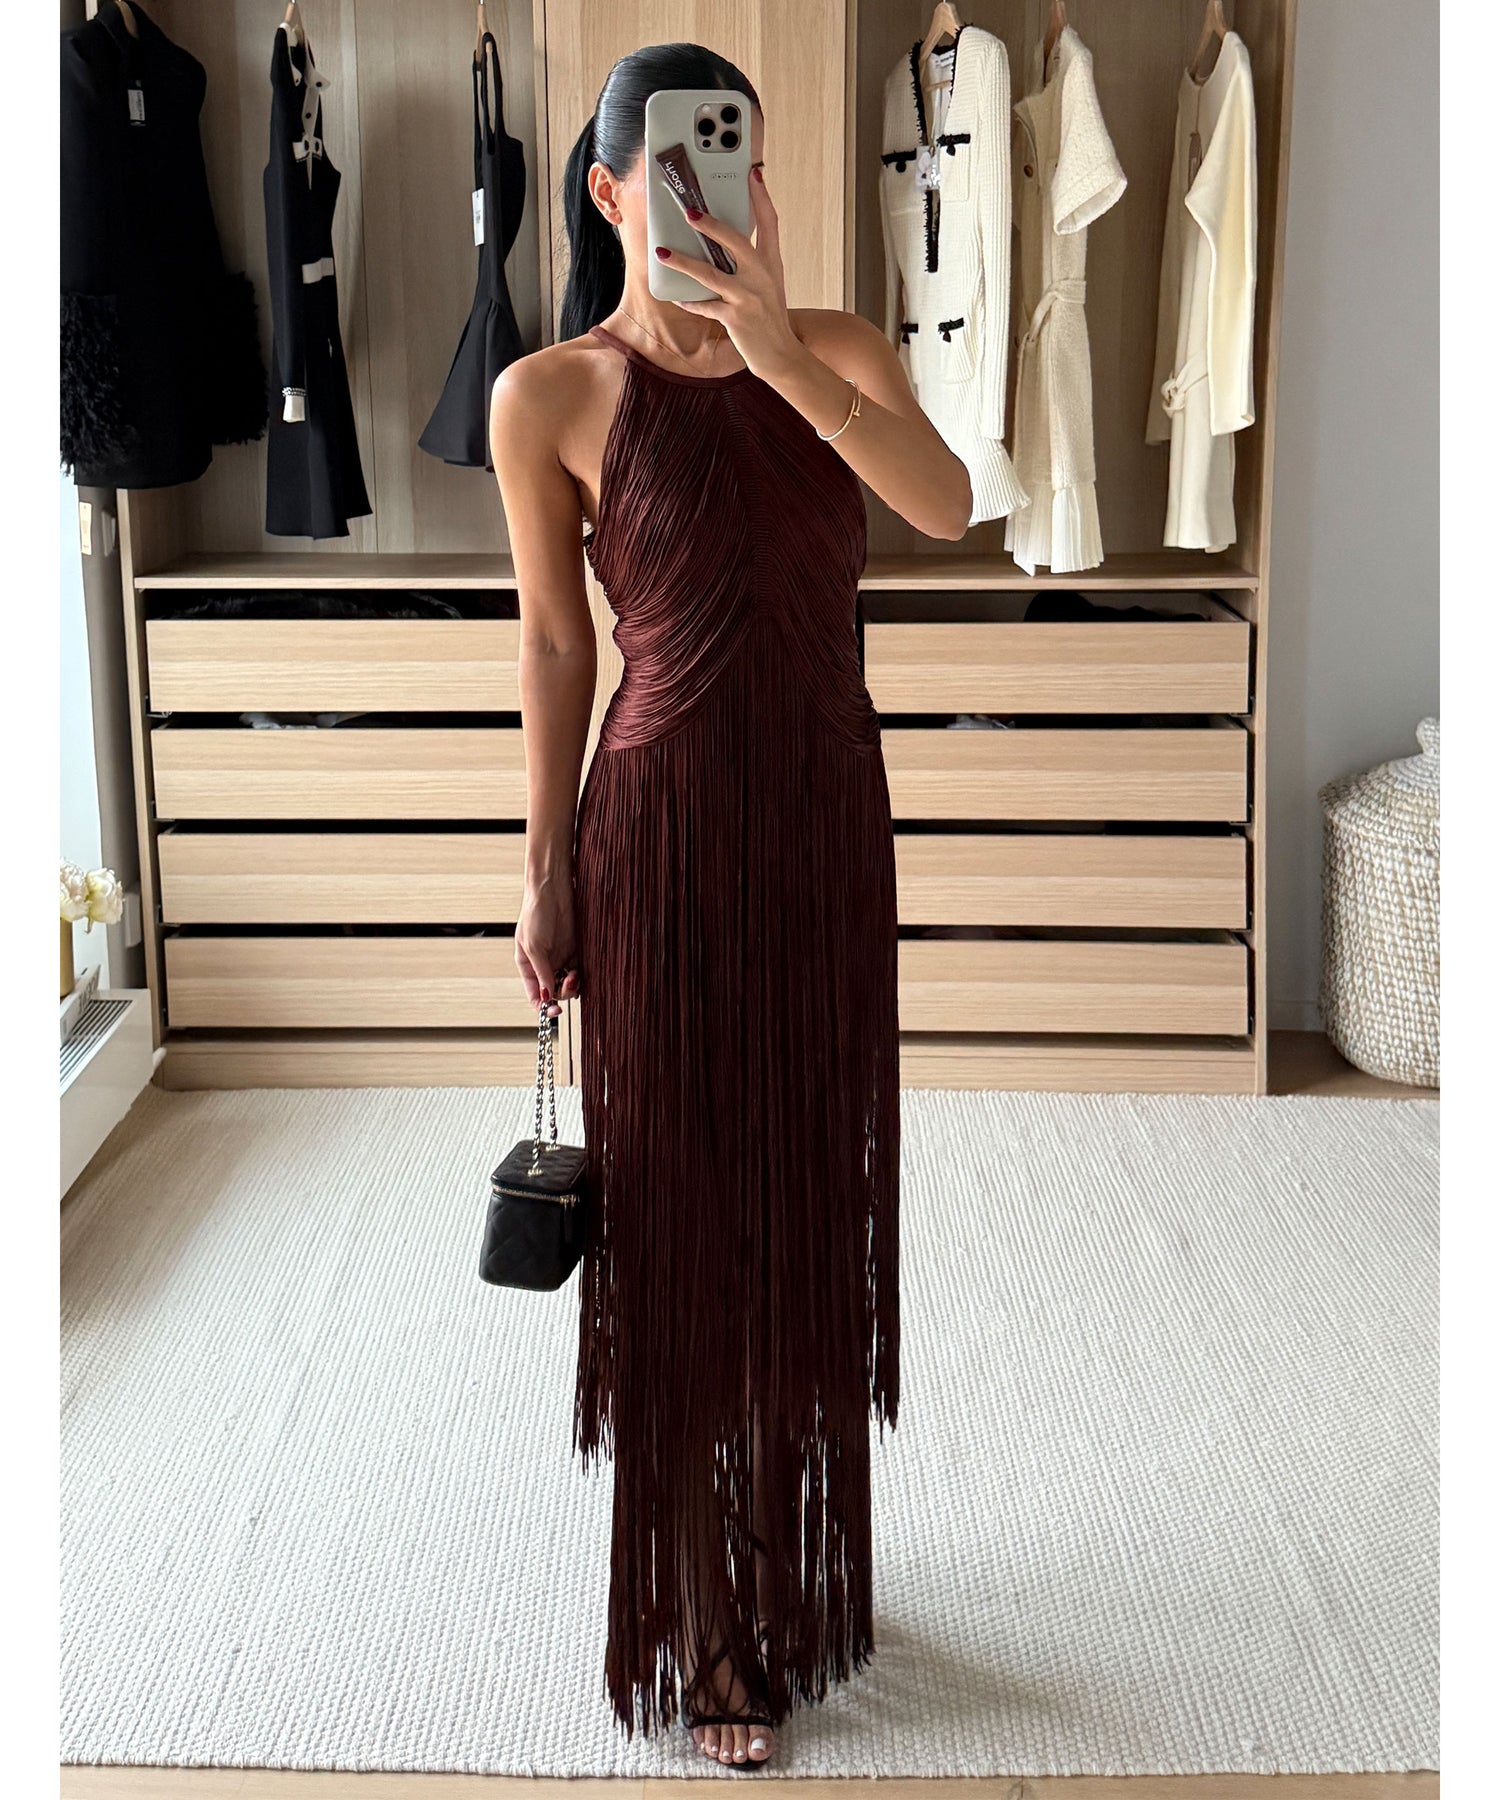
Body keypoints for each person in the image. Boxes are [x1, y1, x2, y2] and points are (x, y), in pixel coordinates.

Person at [488, 41, 971, 1770]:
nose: (723, 192)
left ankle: (786, 1552)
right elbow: (558, 647)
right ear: (614, 190)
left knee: (800, 1199)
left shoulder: (836, 349)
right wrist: (546, 867)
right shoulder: (548, 394)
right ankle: (705, 1605)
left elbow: (948, 507)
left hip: (825, 826)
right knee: (687, 1215)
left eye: (741, 160)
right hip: (664, 840)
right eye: (685, 164)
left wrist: (782, 359)